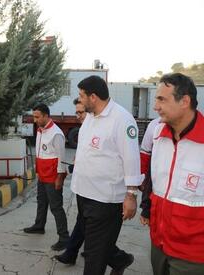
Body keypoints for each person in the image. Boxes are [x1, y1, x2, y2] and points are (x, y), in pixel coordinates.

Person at [71, 75, 141, 275]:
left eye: (82, 96)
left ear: (93, 97)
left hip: (105, 199)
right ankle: (120, 260)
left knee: (93, 254)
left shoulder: (121, 119)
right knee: (97, 243)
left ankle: (115, 261)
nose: (80, 100)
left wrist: (131, 195)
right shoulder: (91, 117)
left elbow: (131, 159)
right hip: (84, 193)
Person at [149, 73, 204, 275]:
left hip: (193, 255)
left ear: (185, 101)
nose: (155, 106)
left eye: (162, 99)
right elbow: (154, 182)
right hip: (158, 244)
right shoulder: (158, 133)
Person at [23, 103, 69, 251]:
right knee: (41, 202)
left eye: (37, 117)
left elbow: (61, 158)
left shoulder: (56, 134)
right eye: (34, 116)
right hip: (42, 175)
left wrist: (60, 178)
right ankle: (39, 225)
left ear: (45, 116)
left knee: (56, 207)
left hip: (52, 177)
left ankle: (64, 238)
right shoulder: (41, 130)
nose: (34, 119)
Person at [54, 97, 86, 264]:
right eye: (76, 112)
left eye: (81, 112)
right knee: (83, 222)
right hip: (83, 187)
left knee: (88, 225)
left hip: (99, 191)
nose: (78, 116)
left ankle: (118, 258)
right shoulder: (85, 130)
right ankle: (72, 253)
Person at [138, 117, 160, 225]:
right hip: (155, 190)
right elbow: (145, 155)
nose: (156, 107)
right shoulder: (154, 125)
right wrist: (142, 179)